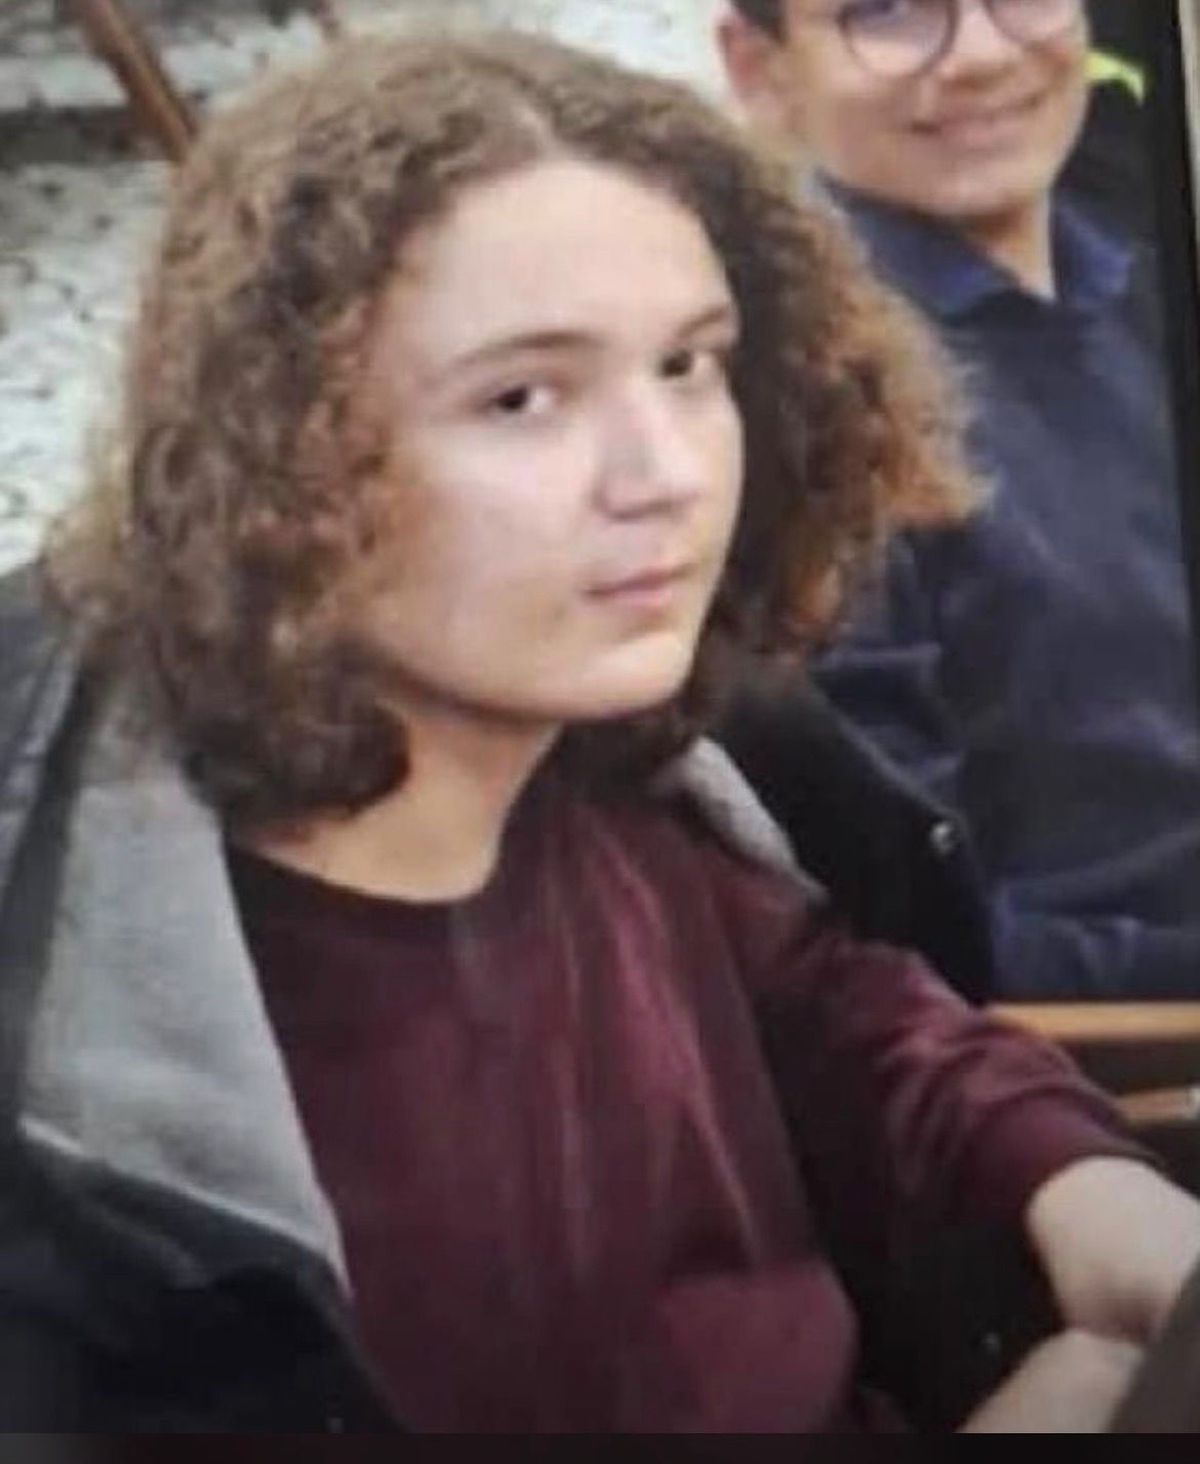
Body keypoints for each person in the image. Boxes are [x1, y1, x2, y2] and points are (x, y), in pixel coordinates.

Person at [1, 29, 1198, 1435]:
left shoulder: (622, 782)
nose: (668, 473)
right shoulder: (138, 1128)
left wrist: (1082, 1185)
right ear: (278, 460)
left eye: (691, 364)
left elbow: (828, 1009)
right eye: (522, 398)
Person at [717, 0, 1200, 1000]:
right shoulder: (800, 403)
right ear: (760, 66)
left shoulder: (1138, 275)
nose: (981, 55)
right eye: (887, 11)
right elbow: (914, 929)